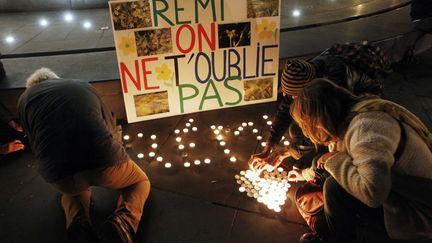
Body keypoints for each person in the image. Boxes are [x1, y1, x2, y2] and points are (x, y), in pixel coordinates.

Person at [288, 78, 432, 243]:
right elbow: (334, 155)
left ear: (319, 123)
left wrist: (334, 160)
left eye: (306, 125)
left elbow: (373, 195)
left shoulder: (367, 130)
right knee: (320, 164)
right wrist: (304, 174)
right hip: (392, 186)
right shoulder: (350, 114)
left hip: (417, 209)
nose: (306, 132)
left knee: (333, 187)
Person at [17, 68, 151, 243]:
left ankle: (78, 226)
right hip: (104, 161)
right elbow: (109, 125)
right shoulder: (81, 85)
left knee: (73, 193)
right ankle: (124, 222)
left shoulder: (23, 100)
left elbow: (32, 139)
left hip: (60, 174)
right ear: (56, 79)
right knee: (139, 182)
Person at [249, 42, 391, 172]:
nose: (292, 99)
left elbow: (324, 125)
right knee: (296, 129)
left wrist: (286, 152)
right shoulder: (302, 75)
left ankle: (329, 153)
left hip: (358, 106)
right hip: (325, 102)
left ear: (308, 91)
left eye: (295, 97)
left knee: (325, 136)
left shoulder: (335, 84)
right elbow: (285, 108)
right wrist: (270, 144)